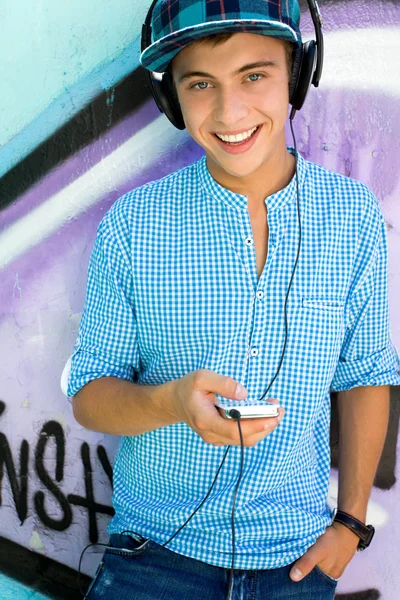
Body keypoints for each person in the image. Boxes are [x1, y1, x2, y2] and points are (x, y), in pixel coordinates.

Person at [65, 1, 400, 598]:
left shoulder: (352, 217)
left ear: (297, 76)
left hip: (297, 564)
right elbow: (90, 396)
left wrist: (350, 526)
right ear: (172, 100)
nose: (230, 111)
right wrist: (172, 402)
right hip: (154, 559)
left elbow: (366, 373)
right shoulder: (134, 225)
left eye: (255, 75)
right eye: (201, 84)